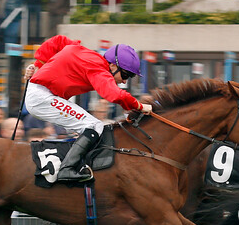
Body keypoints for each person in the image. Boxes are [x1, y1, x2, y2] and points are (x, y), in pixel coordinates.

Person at [23, 36, 151, 181]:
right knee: (95, 126)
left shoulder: (85, 52)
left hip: (43, 95)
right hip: (41, 98)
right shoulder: (98, 69)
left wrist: (39, 64)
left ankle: (77, 163)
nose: (124, 81)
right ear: (113, 66)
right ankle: (66, 169)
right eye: (126, 74)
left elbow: (58, 41)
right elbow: (114, 94)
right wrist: (139, 106)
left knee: (91, 127)